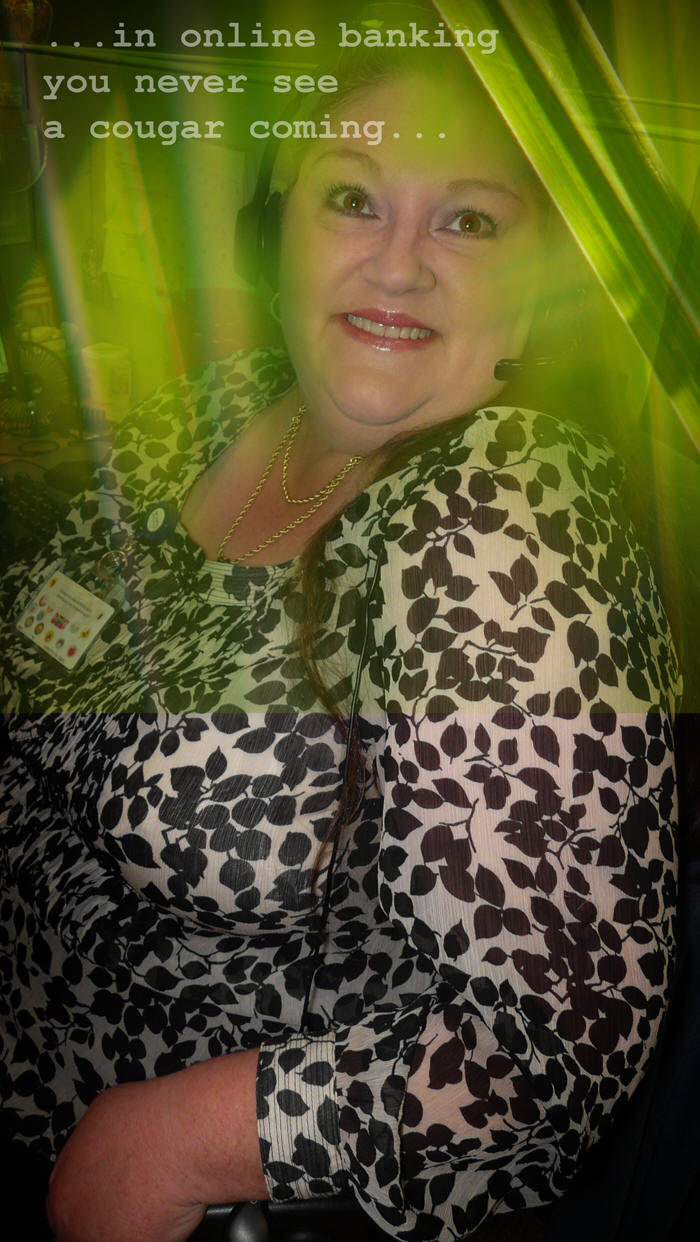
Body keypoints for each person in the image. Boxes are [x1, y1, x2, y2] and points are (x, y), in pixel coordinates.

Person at [0, 38, 682, 1242]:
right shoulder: (210, 408)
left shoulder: (501, 523)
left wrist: (165, 1147)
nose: (399, 263)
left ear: (535, 290)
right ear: (277, 237)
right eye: (352, 198)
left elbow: (549, 1043)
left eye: (468, 221)